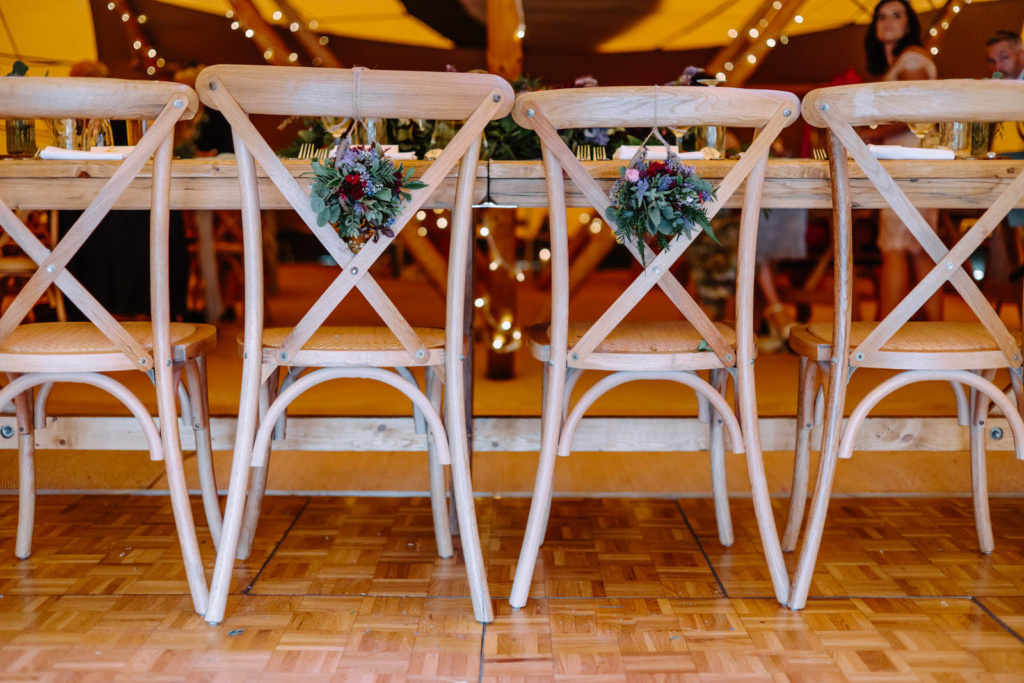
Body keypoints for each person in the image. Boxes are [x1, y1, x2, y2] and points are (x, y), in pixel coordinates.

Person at [864, 0, 941, 321]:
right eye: (882, 16)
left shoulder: (911, 59)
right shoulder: (902, 60)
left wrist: (870, 134)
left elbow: (917, 110)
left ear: (909, 24)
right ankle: (937, 334)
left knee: (895, 247)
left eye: (897, 15)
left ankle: (887, 332)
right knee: (919, 248)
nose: (888, 22)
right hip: (915, 158)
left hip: (909, 159)